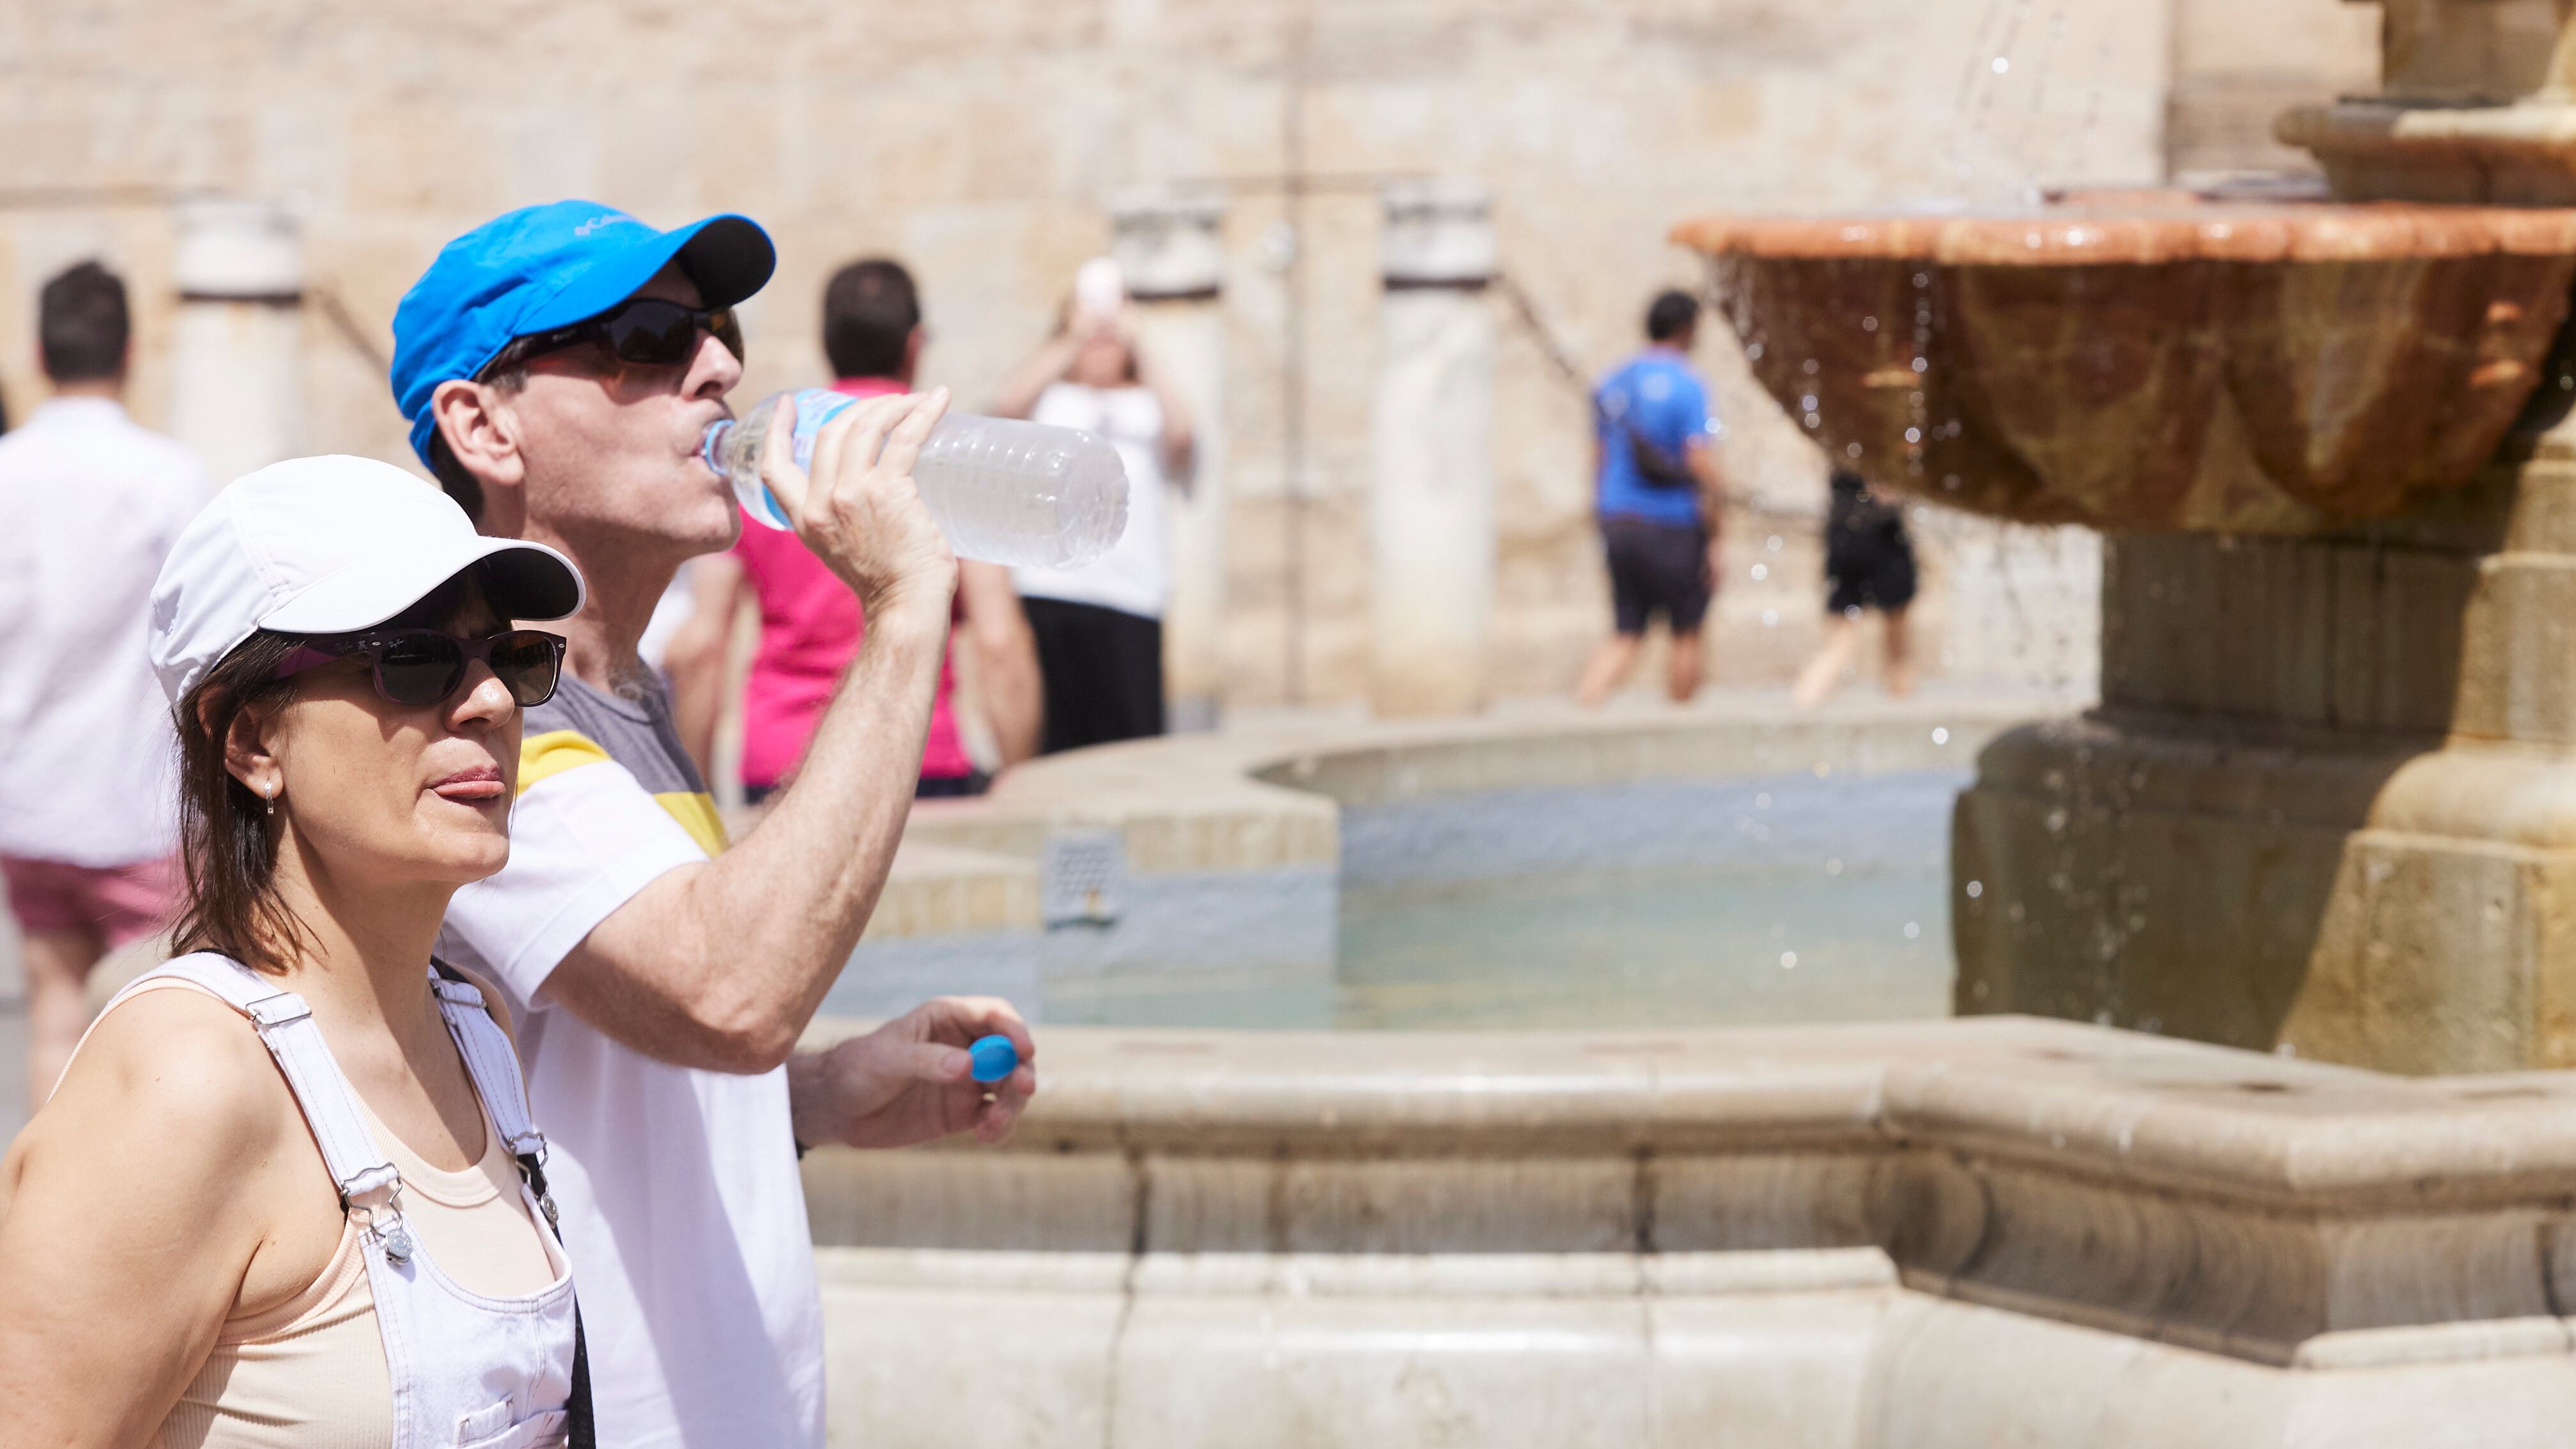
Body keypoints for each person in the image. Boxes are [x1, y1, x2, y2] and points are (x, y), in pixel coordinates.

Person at [395, 201, 1037, 1448]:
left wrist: (823, 1096)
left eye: (720, 330)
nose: (718, 369)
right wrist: (905, 607)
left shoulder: (626, 695)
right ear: (483, 424)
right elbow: (730, 988)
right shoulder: (479, 726)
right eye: (647, 337)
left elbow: (605, 1072)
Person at [0, 457, 588, 1445]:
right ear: (250, 742)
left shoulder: (473, 1028)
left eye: (512, 656)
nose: (490, 699)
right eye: (414, 660)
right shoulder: (190, 1081)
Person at [667, 258, 1040, 800]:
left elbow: (702, 645)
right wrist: (1020, 784)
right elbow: (999, 640)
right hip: (915, 757)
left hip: (781, 762)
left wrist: (695, 800)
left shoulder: (765, 460)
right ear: (915, 344)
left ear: (826, 343)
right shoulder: (946, 465)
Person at [0, 259, 206, 1108]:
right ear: (129, 351)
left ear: (38, 355)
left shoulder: (7, 468)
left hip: (29, 797)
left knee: (53, 1013)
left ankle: (40, 1183)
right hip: (135, 802)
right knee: (171, 1029)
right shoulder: (167, 475)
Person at [991, 268, 1194, 752]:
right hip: (1052, 591)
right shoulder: (1050, 398)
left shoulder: (1149, 404)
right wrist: (1073, 336)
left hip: (1131, 595)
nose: (1102, 341)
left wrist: (1140, 344)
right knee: (1058, 743)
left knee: (1135, 746)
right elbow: (1005, 408)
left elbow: (1184, 437)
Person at [1574, 288, 1727, 707]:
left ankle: (1584, 706)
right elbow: (1700, 461)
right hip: (1673, 522)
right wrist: (1717, 532)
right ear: (1686, 329)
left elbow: (1597, 457)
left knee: (1626, 631)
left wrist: (1602, 515)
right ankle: (1682, 724)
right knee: (1686, 630)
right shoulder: (1689, 384)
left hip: (1619, 519)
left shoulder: (1612, 381)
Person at [1793, 466, 1920, 707]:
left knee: (1839, 643)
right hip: (1882, 535)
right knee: (1897, 649)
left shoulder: (1840, 446)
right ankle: (1902, 706)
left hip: (1843, 535)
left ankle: (1802, 703)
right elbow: (1888, 492)